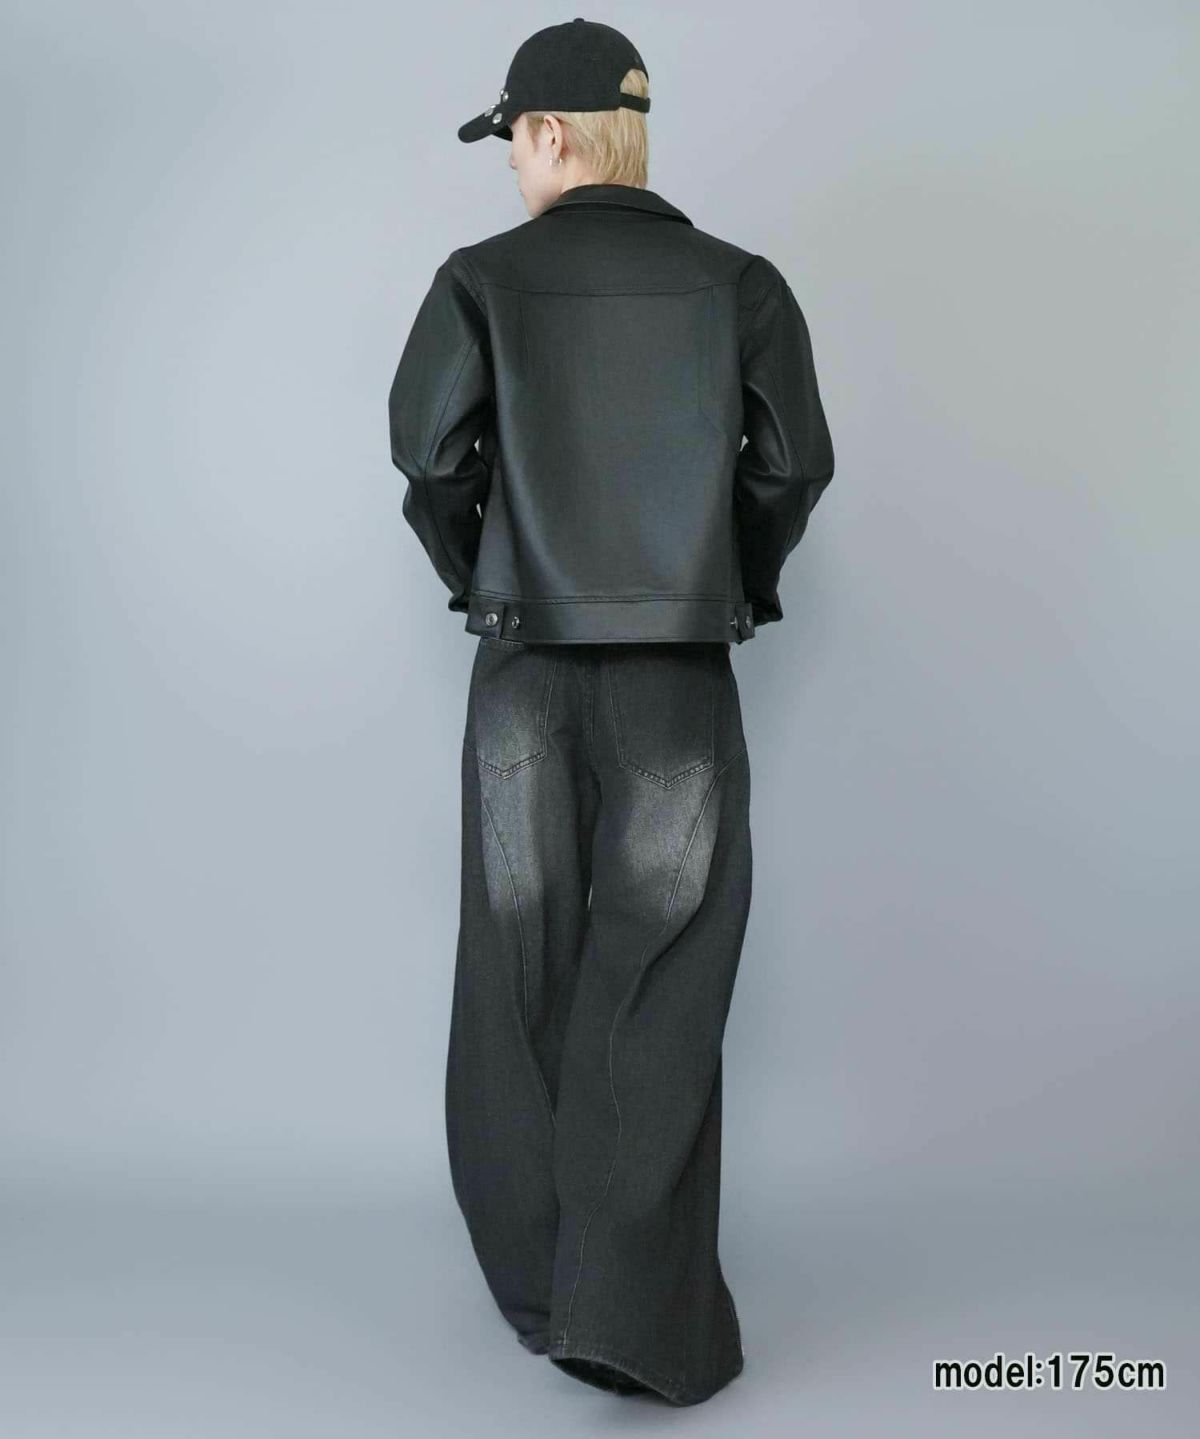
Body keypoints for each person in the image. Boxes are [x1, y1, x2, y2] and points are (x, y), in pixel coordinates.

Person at [387, 18, 834, 1406]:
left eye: (513, 140)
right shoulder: (741, 285)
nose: (511, 164)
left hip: (523, 664)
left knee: (519, 966)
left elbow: (430, 458)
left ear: (551, 133)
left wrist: (488, 578)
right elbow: (791, 469)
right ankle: (627, 1313)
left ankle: (540, 1291)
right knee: (661, 971)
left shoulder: (480, 280)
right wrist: (714, 585)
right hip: (675, 679)